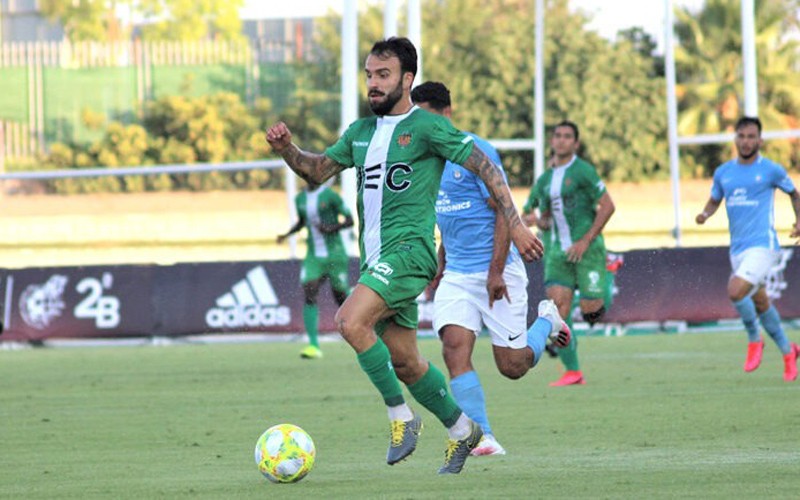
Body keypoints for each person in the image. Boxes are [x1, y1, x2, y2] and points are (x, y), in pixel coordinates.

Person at [265, 37, 543, 474]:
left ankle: (402, 417)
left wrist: (518, 222)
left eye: (383, 75)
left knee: (348, 321)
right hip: (378, 261)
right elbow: (316, 172)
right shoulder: (360, 132)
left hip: (410, 253)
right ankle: (463, 430)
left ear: (407, 79)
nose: (373, 84)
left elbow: (486, 169)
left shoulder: (428, 127)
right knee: (407, 363)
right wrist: (287, 149)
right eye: (369, 75)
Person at [411, 81, 571, 457]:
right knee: (454, 349)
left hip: (499, 272)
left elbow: (501, 210)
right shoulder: (426, 160)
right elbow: (451, 217)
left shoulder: (477, 151)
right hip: (457, 276)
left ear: (446, 114)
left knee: (513, 366)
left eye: (427, 119)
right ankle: (482, 436)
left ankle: (548, 319)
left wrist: (495, 272)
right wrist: (440, 263)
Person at [695, 116, 800, 381]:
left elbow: (794, 193)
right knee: (761, 302)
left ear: (760, 140)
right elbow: (714, 200)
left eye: (751, 136)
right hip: (738, 251)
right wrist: (705, 215)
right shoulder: (724, 172)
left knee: (735, 289)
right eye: (741, 136)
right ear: (736, 139)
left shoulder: (771, 170)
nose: (746, 141)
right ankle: (789, 352)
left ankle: (755, 340)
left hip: (764, 246)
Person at [522, 120, 616, 387]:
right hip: (556, 255)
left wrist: (585, 241)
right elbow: (528, 213)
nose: (561, 140)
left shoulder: (584, 172)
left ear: (575, 143)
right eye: (557, 136)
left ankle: (608, 274)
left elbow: (608, 206)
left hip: (587, 251)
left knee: (592, 312)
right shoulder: (544, 180)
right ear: (552, 141)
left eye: (567, 137)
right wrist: (538, 220)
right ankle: (573, 371)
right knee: (556, 315)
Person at [277, 180, 354, 359]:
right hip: (313, 255)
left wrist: (331, 227)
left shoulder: (331, 196)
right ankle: (313, 345)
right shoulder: (300, 199)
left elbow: (349, 221)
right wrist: (286, 235)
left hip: (335, 254)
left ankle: (357, 306)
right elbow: (302, 222)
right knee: (309, 290)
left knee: (341, 297)